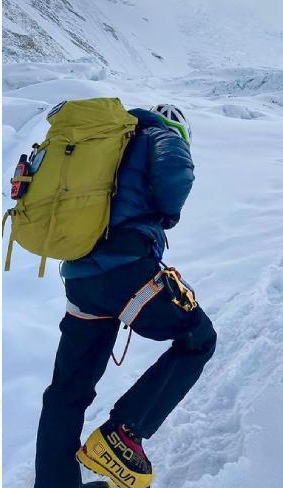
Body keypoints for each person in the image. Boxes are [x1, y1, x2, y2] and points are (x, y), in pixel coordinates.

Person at [34, 104, 215, 488]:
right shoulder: (159, 133)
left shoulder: (110, 141)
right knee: (198, 338)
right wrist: (166, 215)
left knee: (68, 391)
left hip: (80, 278)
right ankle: (123, 432)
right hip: (125, 270)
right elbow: (177, 176)